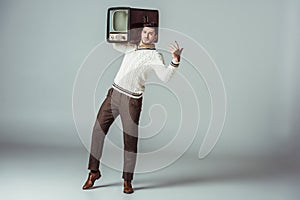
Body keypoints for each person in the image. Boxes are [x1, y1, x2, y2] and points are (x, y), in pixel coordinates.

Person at [82, 24, 183, 194]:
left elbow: (165, 77)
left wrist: (175, 60)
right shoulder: (131, 47)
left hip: (132, 101)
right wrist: (125, 31)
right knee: (97, 130)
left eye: (150, 33)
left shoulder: (155, 56)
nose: (146, 36)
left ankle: (127, 181)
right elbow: (114, 44)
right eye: (144, 32)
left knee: (130, 142)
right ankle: (94, 172)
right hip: (114, 94)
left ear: (155, 37)